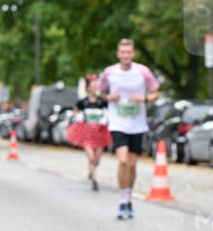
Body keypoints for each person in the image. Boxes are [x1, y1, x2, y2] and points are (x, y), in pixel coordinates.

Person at [100, 39, 159, 220]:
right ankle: (122, 201)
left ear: (133, 54)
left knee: (132, 165)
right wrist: (109, 97)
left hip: (137, 124)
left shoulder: (143, 71)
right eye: (122, 52)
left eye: (129, 52)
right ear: (118, 54)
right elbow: (101, 93)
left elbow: (155, 91)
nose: (126, 55)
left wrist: (144, 99)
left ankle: (129, 197)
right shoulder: (110, 72)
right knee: (123, 161)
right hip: (117, 123)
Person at [67, 73, 113, 192]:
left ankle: (91, 170)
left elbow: (109, 112)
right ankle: (94, 181)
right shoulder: (82, 102)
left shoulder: (102, 102)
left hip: (99, 132)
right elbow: (75, 112)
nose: (95, 88)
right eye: (93, 86)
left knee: (97, 159)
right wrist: (78, 116)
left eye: (97, 85)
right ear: (88, 88)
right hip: (86, 132)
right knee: (91, 157)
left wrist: (106, 118)